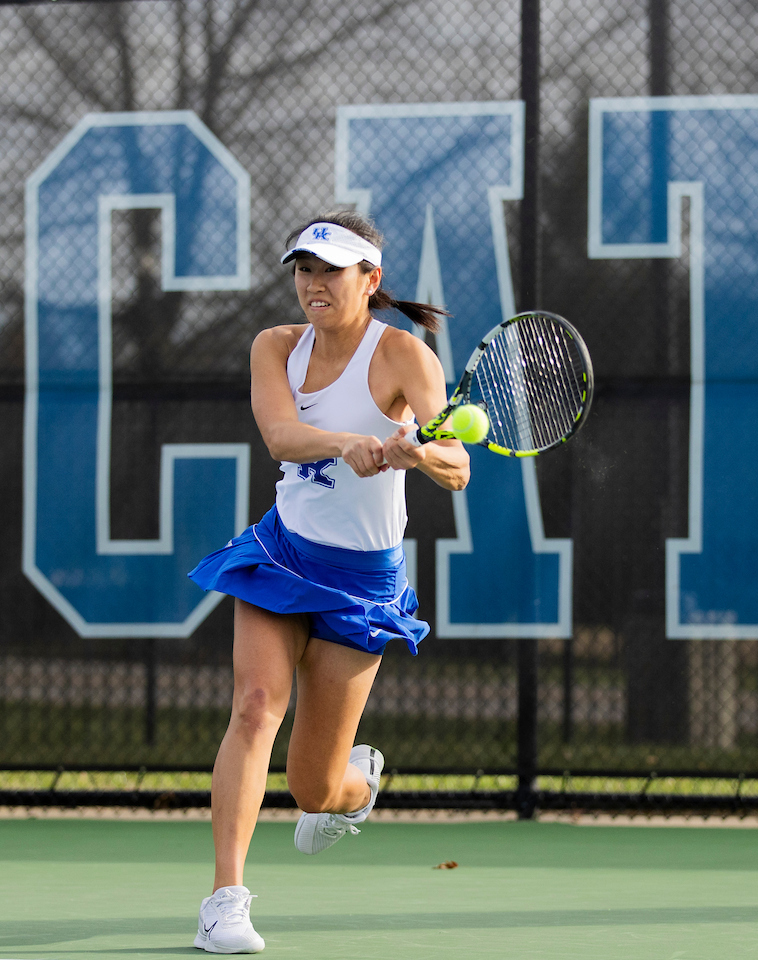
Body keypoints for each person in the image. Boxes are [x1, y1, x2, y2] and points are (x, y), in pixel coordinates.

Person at [187, 211, 469, 954]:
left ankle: (357, 786)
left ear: (369, 281)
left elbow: (459, 467)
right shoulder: (274, 346)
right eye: (304, 269)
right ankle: (225, 900)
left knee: (313, 791)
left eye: (331, 271)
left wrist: (417, 456)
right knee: (254, 708)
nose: (314, 284)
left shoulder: (406, 356)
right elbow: (281, 435)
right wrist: (352, 442)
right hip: (283, 556)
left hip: (362, 584)